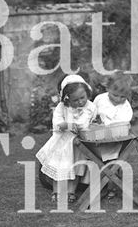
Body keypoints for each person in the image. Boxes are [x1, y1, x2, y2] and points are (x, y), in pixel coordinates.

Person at [36, 74, 96, 204]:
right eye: (75, 100)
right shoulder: (62, 108)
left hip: (80, 143)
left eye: (82, 98)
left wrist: (88, 126)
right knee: (60, 167)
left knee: (75, 168)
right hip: (63, 142)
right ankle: (56, 191)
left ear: (87, 93)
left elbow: (91, 122)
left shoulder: (90, 107)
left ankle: (71, 191)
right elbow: (57, 124)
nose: (80, 102)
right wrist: (68, 125)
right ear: (67, 98)